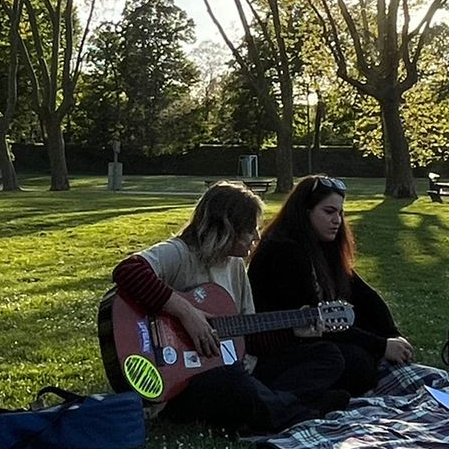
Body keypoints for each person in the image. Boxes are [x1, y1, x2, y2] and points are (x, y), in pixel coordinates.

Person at [110, 182, 347, 433]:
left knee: (328, 356)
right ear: (227, 227)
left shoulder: (235, 266)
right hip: (184, 382)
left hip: (234, 368)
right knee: (233, 383)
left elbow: (248, 340)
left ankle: (273, 407)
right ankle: (295, 410)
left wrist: (293, 333)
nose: (256, 236)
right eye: (250, 229)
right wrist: (187, 313)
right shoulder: (179, 253)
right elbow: (128, 270)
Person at [248, 175, 414, 400]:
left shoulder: (324, 244)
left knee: (361, 359)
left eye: (340, 213)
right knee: (358, 364)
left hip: (314, 341)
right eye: (329, 212)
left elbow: (364, 296)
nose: (337, 220)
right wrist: (380, 345)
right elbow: (318, 319)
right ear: (305, 211)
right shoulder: (283, 250)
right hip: (278, 346)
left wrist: (391, 334)